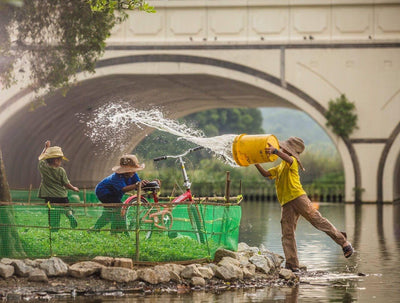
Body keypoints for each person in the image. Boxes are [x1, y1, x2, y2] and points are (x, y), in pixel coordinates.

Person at [254, 136, 353, 272]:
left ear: (289, 151)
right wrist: (255, 162)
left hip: (298, 198)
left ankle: (344, 242)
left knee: (317, 220)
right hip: (286, 203)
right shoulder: (280, 167)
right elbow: (266, 174)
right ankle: (292, 264)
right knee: (287, 232)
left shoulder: (292, 161)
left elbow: (288, 159)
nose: (282, 149)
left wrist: (276, 152)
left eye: (284, 148)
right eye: (281, 148)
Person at [91, 154, 150, 234]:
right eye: (132, 170)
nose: (134, 171)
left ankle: (95, 228)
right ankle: (115, 231)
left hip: (115, 194)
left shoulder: (133, 174)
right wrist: (137, 185)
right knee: (118, 207)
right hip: (104, 192)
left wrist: (145, 185)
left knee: (108, 214)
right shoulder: (117, 177)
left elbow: (137, 186)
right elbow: (124, 189)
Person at [38, 140, 79, 231]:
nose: (61, 161)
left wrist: (46, 148)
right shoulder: (61, 170)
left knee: (53, 212)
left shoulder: (43, 167)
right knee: (67, 207)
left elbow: (41, 158)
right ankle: (70, 216)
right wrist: (74, 188)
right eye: (60, 159)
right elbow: (66, 183)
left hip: (49, 196)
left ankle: (54, 229)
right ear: (55, 160)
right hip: (61, 195)